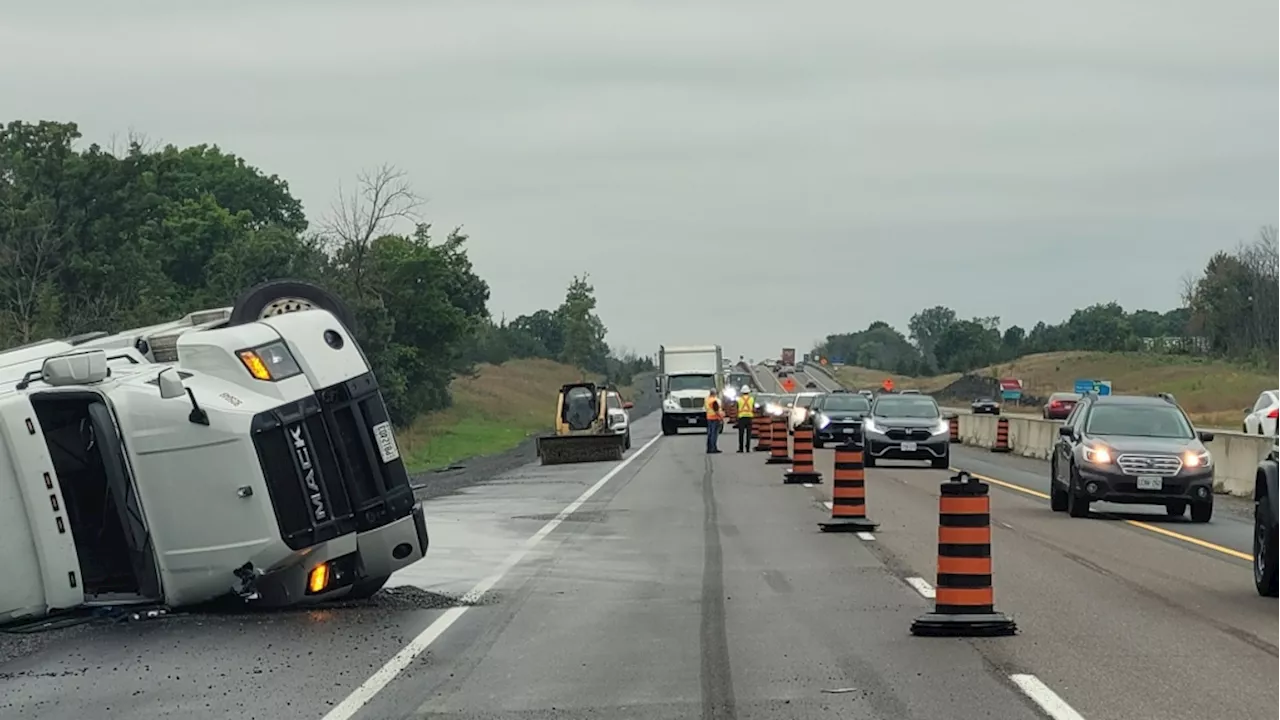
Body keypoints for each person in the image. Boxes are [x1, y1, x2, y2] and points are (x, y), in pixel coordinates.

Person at [735, 385, 755, 453]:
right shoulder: (751, 399)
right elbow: (753, 407)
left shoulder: (739, 399)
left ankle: (741, 448)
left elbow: (737, 408)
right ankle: (748, 448)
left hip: (741, 418)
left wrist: (736, 417)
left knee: (741, 434)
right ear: (748, 392)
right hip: (749, 417)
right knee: (748, 434)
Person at [704, 389, 723, 454]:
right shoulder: (714, 401)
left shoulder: (706, 400)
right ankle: (713, 448)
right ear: (714, 393)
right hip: (715, 418)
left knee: (709, 434)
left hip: (709, 418)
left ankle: (709, 448)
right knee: (714, 434)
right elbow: (716, 410)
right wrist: (721, 418)